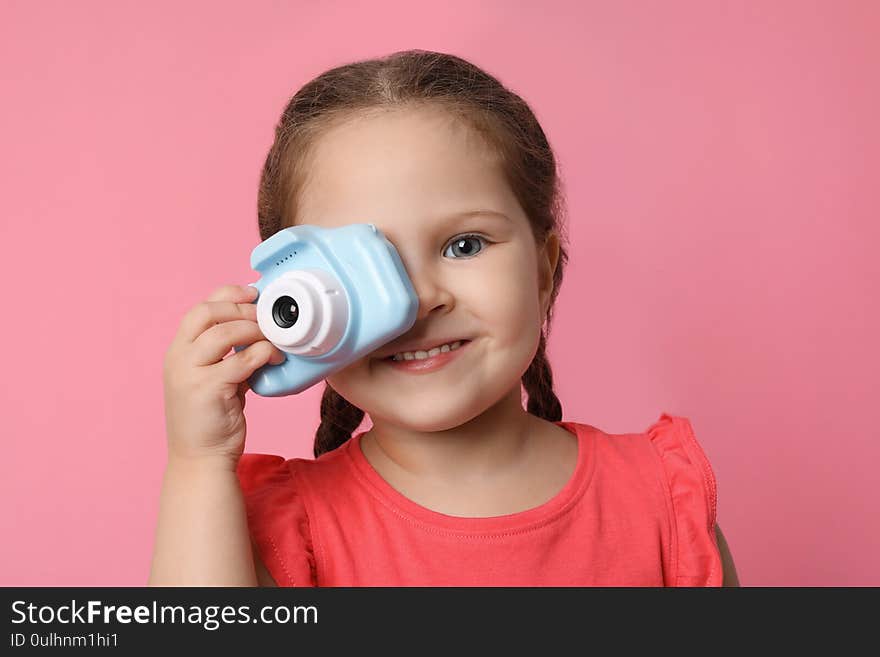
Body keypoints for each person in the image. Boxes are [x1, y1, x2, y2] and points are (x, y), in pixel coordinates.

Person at [149, 49, 740, 587]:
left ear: (542, 268)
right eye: (367, 271)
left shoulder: (662, 498)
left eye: (464, 245)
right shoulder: (281, 533)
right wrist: (197, 464)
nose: (420, 298)